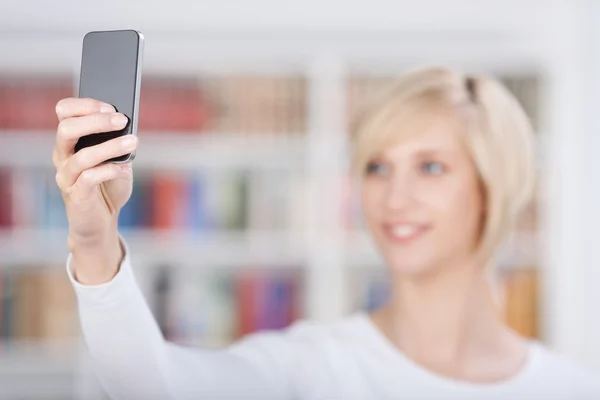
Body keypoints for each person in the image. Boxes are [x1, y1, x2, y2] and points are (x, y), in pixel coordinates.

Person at [53, 67, 600, 399]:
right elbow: (153, 385)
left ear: (493, 187)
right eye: (376, 167)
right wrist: (94, 240)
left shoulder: (570, 389)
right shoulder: (318, 366)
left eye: (431, 167)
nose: (394, 197)